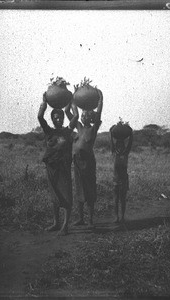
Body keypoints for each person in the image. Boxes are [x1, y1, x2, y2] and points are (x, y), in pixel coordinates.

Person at [38, 93, 78, 235]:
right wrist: (44, 103)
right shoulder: (49, 131)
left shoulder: (67, 132)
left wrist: (72, 102)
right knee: (54, 196)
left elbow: (75, 117)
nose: (58, 119)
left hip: (63, 168)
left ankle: (65, 226)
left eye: (60, 117)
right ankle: (56, 223)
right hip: (51, 167)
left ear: (62, 119)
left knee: (66, 195)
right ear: (53, 119)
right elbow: (40, 117)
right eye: (55, 118)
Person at [65, 89, 103, 228]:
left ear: (91, 118)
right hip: (77, 164)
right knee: (79, 190)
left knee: (90, 191)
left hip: (88, 164)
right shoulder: (79, 127)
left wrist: (100, 101)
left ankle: (91, 220)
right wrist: (73, 97)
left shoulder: (93, 129)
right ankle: (81, 218)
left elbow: (99, 114)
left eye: (87, 114)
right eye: (83, 114)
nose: (84, 116)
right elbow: (68, 112)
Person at [110, 122, 133, 224]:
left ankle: (122, 217)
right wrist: (111, 133)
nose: (120, 146)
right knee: (115, 199)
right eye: (118, 144)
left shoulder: (126, 152)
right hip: (115, 179)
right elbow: (111, 142)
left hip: (123, 179)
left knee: (122, 199)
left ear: (123, 145)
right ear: (116, 146)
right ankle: (116, 217)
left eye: (121, 144)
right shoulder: (114, 152)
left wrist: (131, 133)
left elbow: (130, 143)